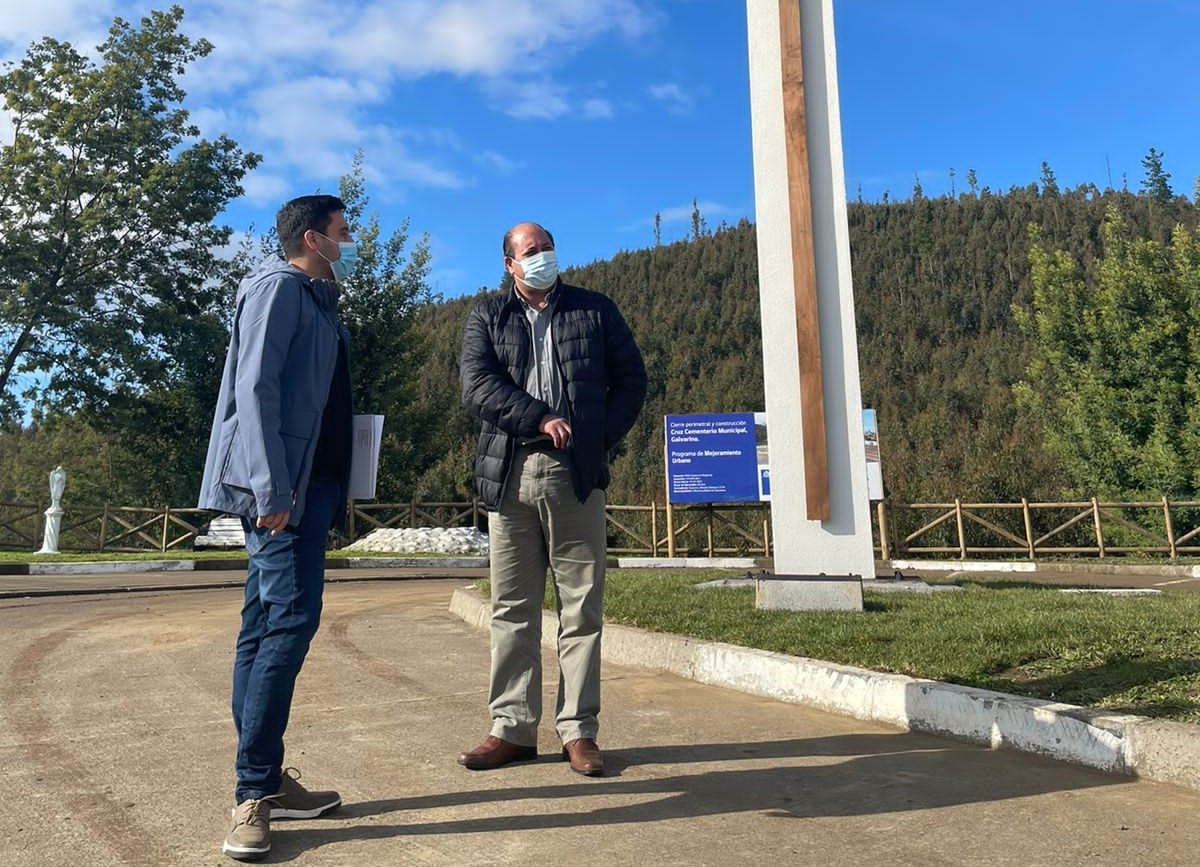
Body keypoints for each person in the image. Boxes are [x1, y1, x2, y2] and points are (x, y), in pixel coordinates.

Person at [198, 194, 356, 861]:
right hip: (282, 490)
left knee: (263, 624)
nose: (350, 243)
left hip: (309, 487)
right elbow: (254, 389)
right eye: (344, 234)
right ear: (314, 239)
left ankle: (264, 777)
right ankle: (253, 793)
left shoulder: (316, 302)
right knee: (288, 623)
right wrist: (270, 486)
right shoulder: (278, 288)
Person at [457, 221, 647, 777]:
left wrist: (595, 437)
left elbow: (631, 382)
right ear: (510, 265)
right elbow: (477, 385)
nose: (542, 256)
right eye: (530, 251)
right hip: (510, 473)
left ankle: (578, 732)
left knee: (580, 608)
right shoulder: (488, 316)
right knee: (511, 609)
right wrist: (539, 415)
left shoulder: (595, 310)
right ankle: (511, 729)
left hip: (575, 475)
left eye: (547, 247)